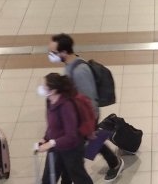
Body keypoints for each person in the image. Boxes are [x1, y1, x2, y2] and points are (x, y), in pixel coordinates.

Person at [46, 35, 124, 181]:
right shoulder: (71, 65)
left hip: (87, 116)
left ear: (63, 52)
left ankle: (114, 163)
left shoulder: (79, 71)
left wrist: (90, 123)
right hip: (79, 116)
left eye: (53, 53)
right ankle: (114, 162)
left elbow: (89, 99)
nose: (50, 56)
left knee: (76, 154)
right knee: (88, 144)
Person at [35, 74, 93, 184]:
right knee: (48, 179)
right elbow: (52, 125)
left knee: (79, 177)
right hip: (56, 147)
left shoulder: (66, 107)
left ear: (53, 90)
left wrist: (51, 143)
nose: (40, 88)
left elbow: (71, 136)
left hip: (72, 149)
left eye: (43, 86)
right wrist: (45, 138)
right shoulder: (49, 101)